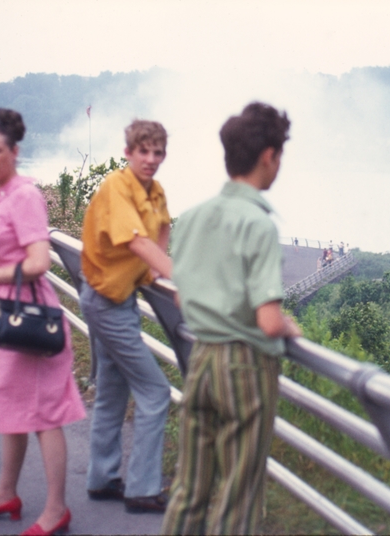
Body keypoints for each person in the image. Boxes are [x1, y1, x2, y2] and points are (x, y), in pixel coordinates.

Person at [163, 101, 302, 535]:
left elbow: (185, 300)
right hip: (245, 368)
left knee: (190, 489)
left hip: (200, 359)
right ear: (269, 157)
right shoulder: (258, 225)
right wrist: (291, 326)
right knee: (238, 496)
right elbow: (268, 321)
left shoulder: (192, 219)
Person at [0, 108, 86, 536]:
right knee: (7, 404)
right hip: (8, 319)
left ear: (15, 151)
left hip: (32, 324)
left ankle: (55, 510)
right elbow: (1, 259)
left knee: (44, 415)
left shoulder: (25, 196)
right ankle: (5, 494)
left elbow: (38, 260)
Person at [79, 119, 173, 514]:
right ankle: (142, 488)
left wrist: (159, 275)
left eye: (157, 152)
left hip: (121, 299)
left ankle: (102, 479)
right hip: (106, 300)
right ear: (128, 152)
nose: (151, 160)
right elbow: (136, 240)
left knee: (114, 393)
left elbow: (161, 233)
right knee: (155, 392)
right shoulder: (117, 187)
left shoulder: (155, 191)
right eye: (143, 151)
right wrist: (183, 283)